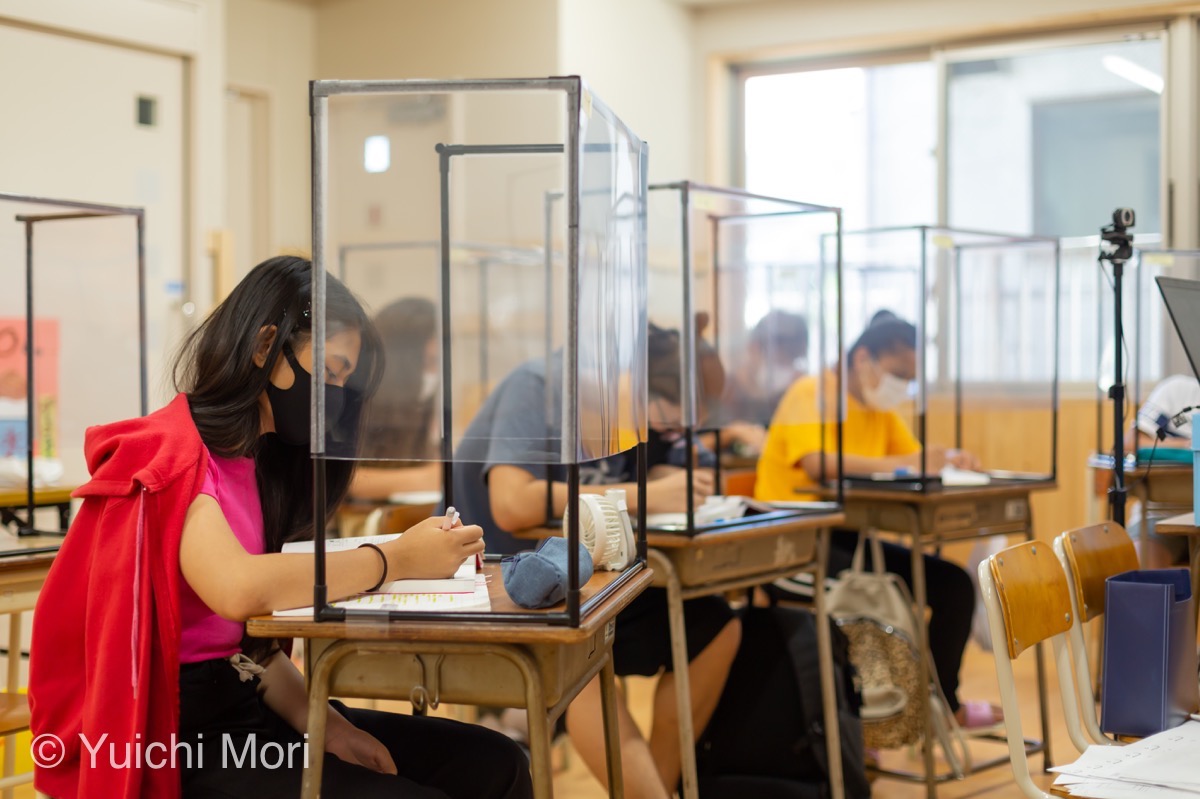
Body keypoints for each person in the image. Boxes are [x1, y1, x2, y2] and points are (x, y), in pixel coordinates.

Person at [29, 256, 532, 799]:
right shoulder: (172, 453)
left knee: (494, 762)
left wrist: (334, 730)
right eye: (330, 369)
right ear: (266, 347)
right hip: (173, 741)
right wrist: (395, 560)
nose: (334, 393)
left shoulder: (259, 466)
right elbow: (238, 588)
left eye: (344, 380)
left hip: (246, 710)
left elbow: (257, 656)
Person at [452, 320, 740, 799]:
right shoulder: (540, 388)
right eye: (671, 411)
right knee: (581, 641)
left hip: (594, 580)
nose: (675, 425)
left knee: (714, 627)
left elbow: (694, 467)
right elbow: (511, 502)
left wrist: (671, 471)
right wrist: (642, 492)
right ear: (630, 378)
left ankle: (657, 789)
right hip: (512, 584)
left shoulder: (634, 409)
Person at [755, 310, 1001, 730]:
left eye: (910, 378)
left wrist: (950, 460)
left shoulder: (876, 408)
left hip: (849, 541)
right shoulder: (812, 392)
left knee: (953, 585)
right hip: (791, 545)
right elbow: (819, 463)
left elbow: (914, 459)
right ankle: (863, 721)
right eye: (897, 374)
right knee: (872, 600)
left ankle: (942, 705)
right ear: (863, 358)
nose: (902, 386)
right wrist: (911, 460)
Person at [350, 296, 442, 499]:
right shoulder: (352, 405)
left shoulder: (420, 411)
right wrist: (430, 478)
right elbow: (345, 481)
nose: (434, 373)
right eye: (429, 361)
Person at [1124, 373, 1200, 567]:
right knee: (1141, 567)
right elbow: (1131, 443)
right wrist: (1187, 445)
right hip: (1160, 517)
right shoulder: (1178, 390)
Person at [719, 309, 810, 457]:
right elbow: (695, 445)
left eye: (794, 361)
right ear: (754, 347)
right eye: (782, 361)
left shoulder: (795, 390)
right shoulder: (727, 389)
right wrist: (732, 433)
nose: (790, 369)